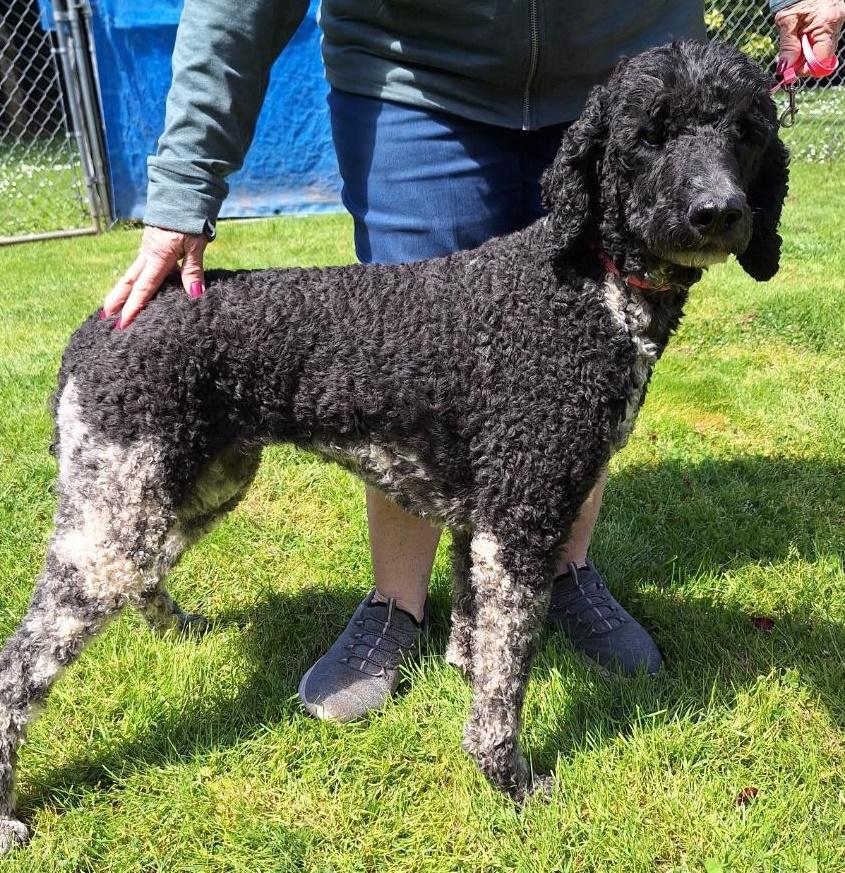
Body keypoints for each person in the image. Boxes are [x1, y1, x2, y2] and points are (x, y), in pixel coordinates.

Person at [103, 0, 844, 722]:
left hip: (632, 61)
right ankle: (396, 603)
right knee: (403, 372)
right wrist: (183, 186)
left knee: (580, 382)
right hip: (421, 77)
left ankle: (556, 571)